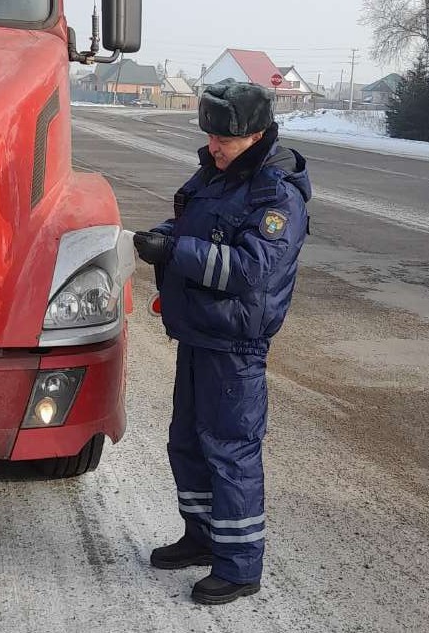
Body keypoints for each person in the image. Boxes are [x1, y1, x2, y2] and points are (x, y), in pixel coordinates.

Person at [132, 80, 311, 605]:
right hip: (199, 333)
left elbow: (252, 268)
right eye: (210, 136)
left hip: (235, 343)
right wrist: (163, 235)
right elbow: (197, 223)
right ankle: (202, 537)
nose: (213, 147)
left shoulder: (276, 193)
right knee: (187, 442)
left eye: (224, 140)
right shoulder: (221, 173)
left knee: (229, 450)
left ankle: (238, 566)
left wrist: (176, 250)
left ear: (255, 134)